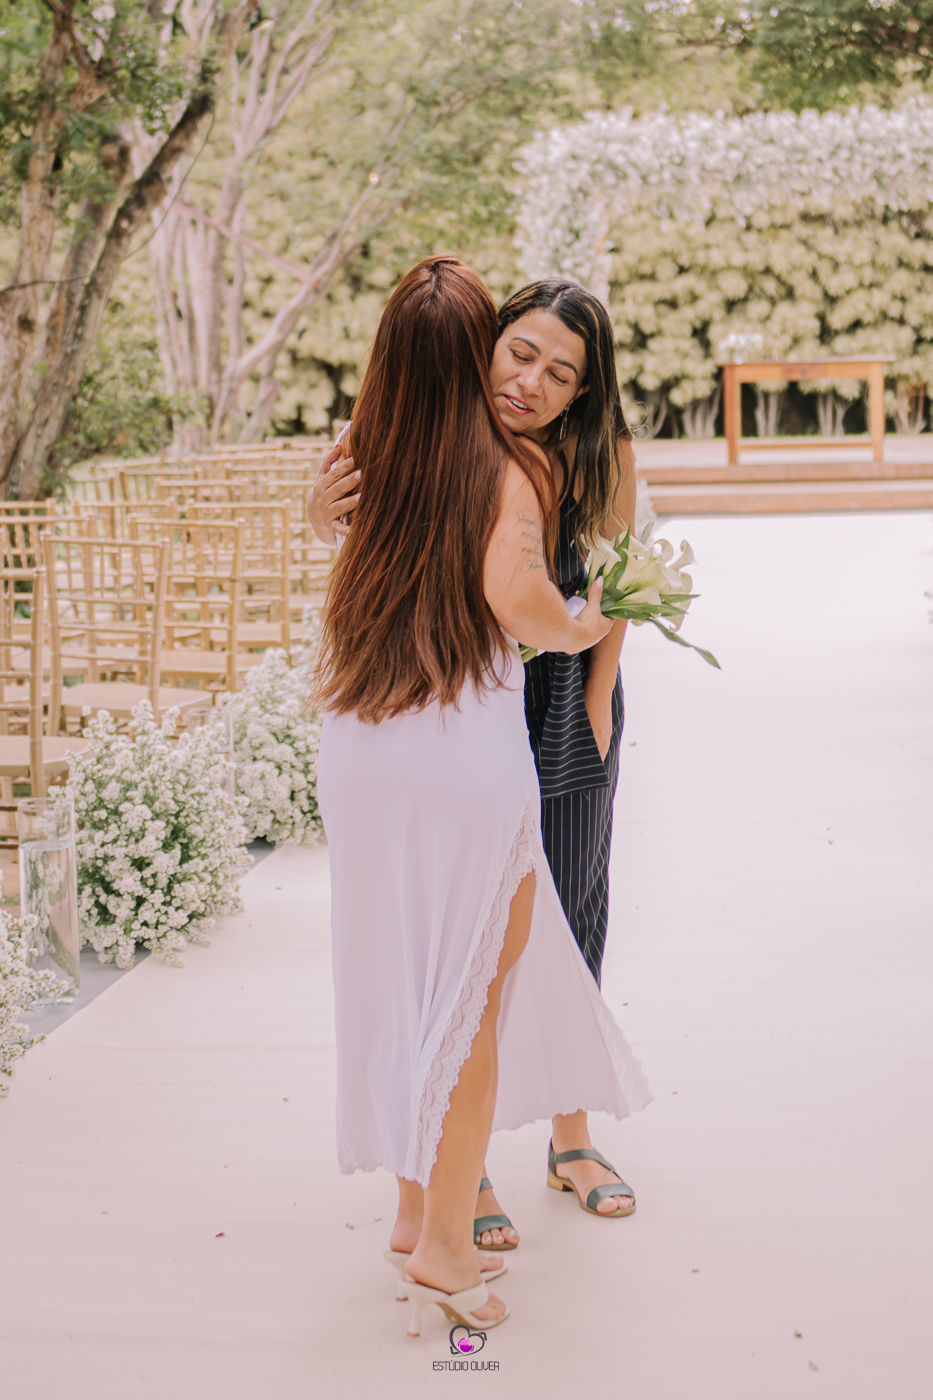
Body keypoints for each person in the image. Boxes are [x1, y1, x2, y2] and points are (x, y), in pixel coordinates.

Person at [314, 256, 650, 1337]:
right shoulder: (506, 468)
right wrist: (586, 620)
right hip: (459, 754)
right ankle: (449, 1251)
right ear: (477, 353)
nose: (527, 381)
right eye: (513, 352)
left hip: (360, 744)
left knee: (398, 985)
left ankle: (416, 1214)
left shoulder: (375, 445)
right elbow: (523, 601)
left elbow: (345, 544)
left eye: (559, 370)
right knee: (470, 1005)